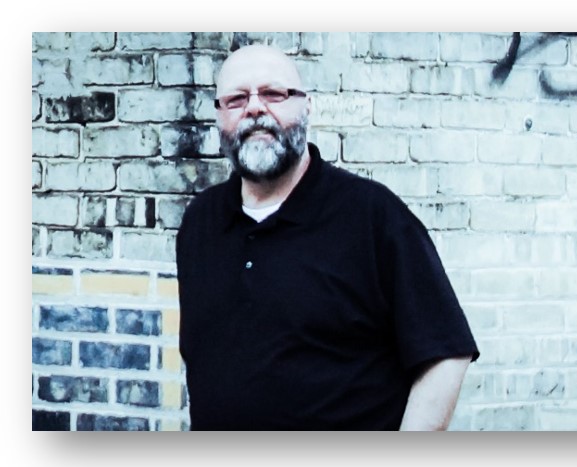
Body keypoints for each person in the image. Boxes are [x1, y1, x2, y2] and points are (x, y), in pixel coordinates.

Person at [176, 44, 479, 430]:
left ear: (306, 107)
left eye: (273, 94)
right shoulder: (200, 222)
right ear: (219, 116)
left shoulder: (372, 216)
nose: (254, 108)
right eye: (236, 99)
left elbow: (445, 355)